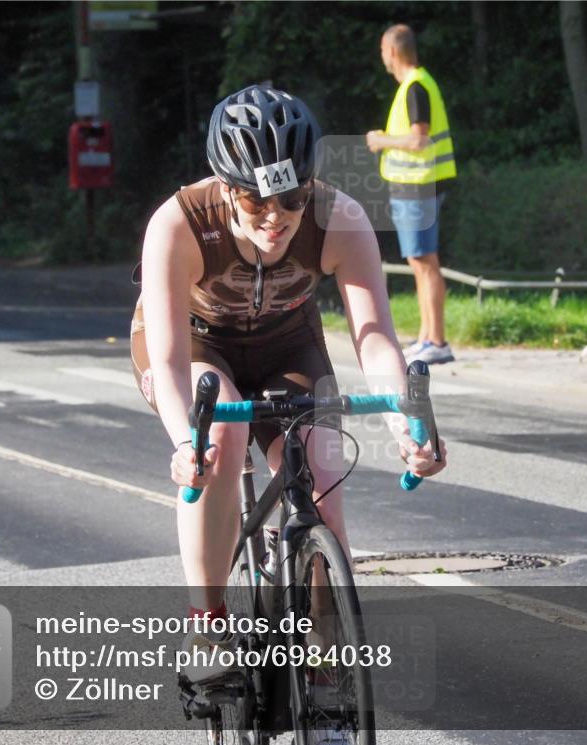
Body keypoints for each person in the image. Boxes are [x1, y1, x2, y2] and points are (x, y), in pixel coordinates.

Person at [129, 86, 446, 684]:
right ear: (225, 188)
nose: (275, 217)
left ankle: (327, 664)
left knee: (323, 479)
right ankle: (207, 619)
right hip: (196, 347)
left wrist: (406, 424)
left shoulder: (341, 218)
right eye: (255, 201)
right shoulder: (178, 223)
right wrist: (184, 443)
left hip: (286, 342)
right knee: (220, 428)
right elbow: (169, 361)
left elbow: (374, 336)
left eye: (293, 198)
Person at [366, 24, 457, 365]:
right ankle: (426, 337)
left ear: (392, 51)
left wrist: (381, 140)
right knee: (420, 262)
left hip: (419, 185)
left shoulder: (415, 86)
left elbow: (419, 139)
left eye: (382, 51)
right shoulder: (415, 85)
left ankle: (437, 340)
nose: (382, 58)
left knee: (424, 262)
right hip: (415, 185)